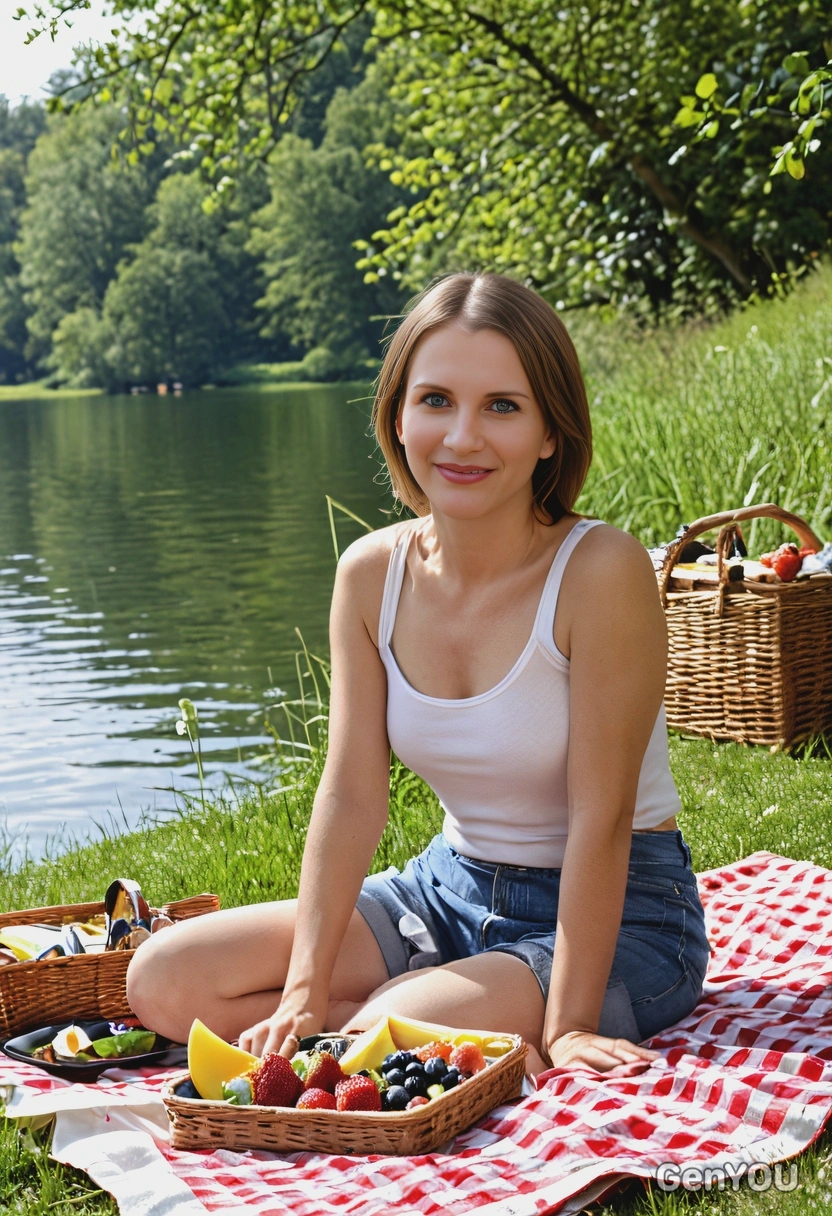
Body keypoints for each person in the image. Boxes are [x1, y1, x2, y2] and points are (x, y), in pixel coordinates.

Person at [127, 272, 711, 1078]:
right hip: (444, 892)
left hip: (624, 915)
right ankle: (415, 1012)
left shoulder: (599, 571)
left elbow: (601, 816)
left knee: (384, 1033)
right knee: (162, 978)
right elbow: (351, 791)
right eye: (435, 400)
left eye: (502, 406)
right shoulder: (372, 574)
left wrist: (569, 1023)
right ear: (398, 415)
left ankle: (426, 1014)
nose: (462, 437)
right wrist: (301, 987)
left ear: (551, 432)